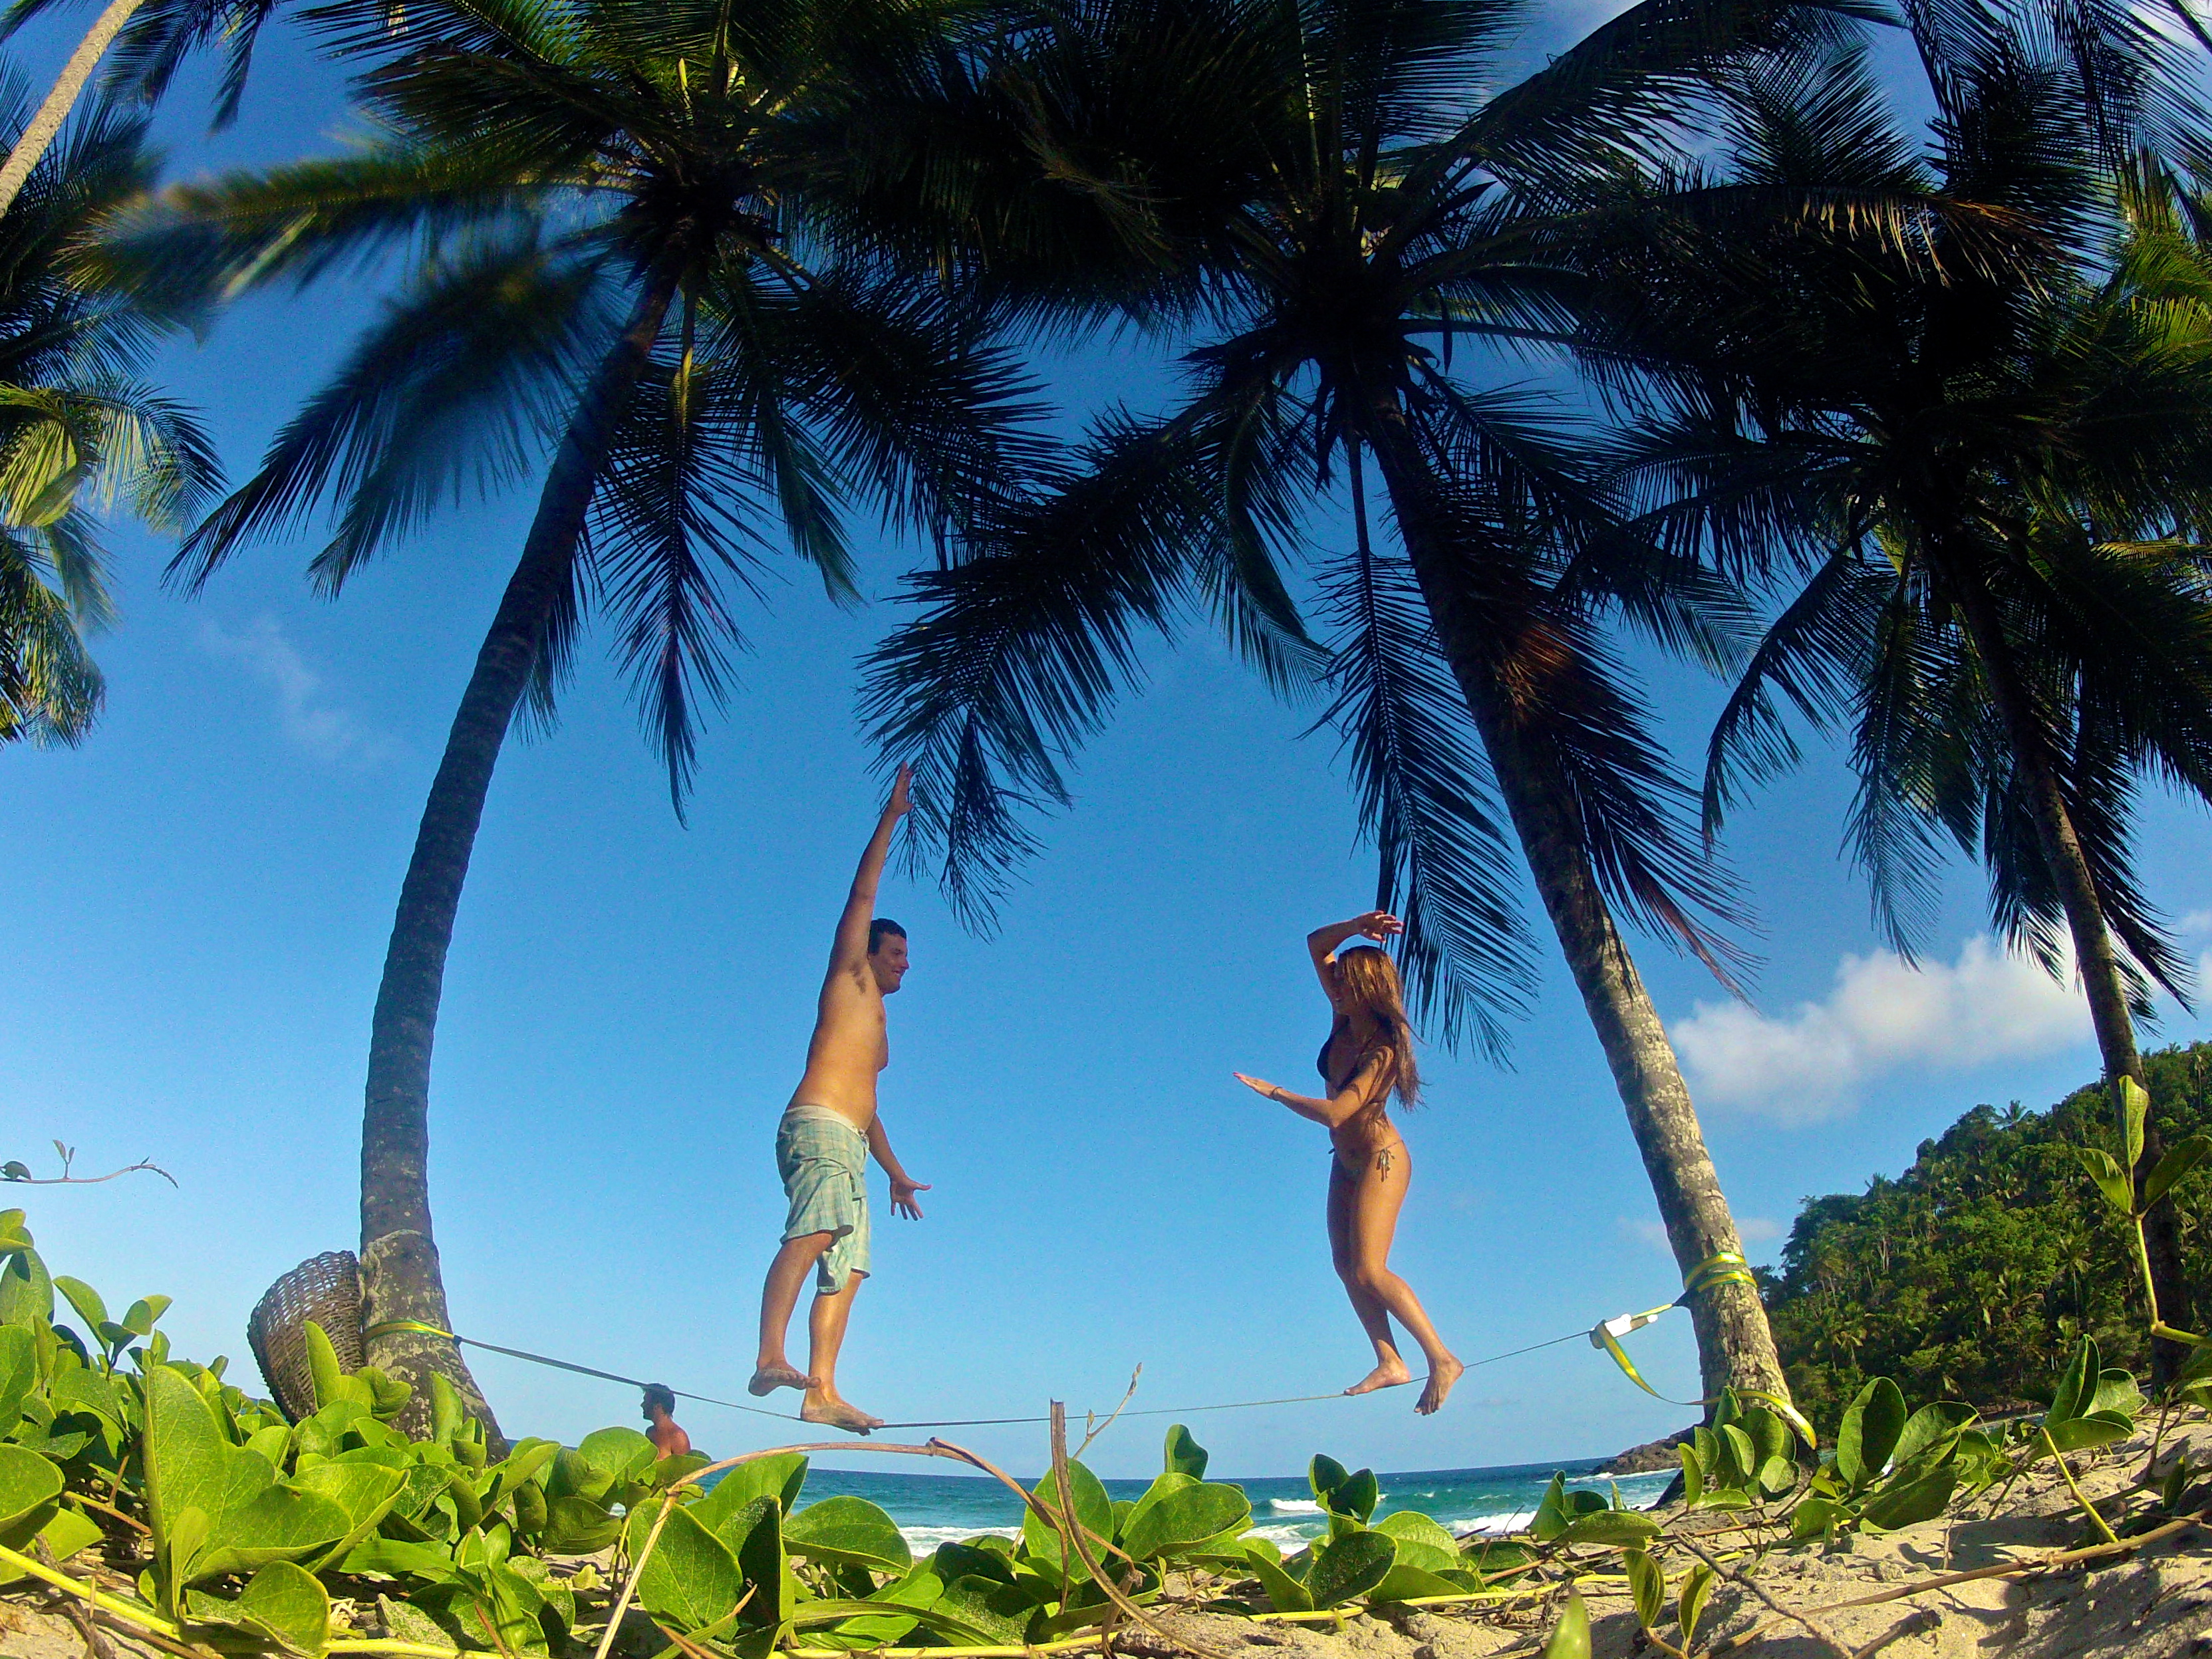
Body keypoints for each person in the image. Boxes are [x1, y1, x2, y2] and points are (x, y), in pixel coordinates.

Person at [748, 764, 930, 1434]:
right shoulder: (849, 977)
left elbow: (871, 1107)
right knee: (817, 1229)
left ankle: (820, 1389)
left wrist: (896, 1173)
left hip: (850, 1140)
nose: (905, 962)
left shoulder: (879, 1031)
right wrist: (889, 817)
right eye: (898, 952)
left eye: (908, 955)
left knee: (849, 1267)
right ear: (871, 952)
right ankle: (771, 1353)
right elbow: (861, 893)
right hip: (815, 1125)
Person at [1234, 911, 1464, 1415]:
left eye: (1346, 982)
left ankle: (1442, 1358)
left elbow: (1338, 1111)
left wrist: (1273, 1092)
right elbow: (1316, 943)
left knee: (1369, 1268)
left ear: (1370, 989)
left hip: (1382, 1158)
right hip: (1345, 1159)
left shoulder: (1383, 1047)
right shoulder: (1342, 1016)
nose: (1335, 986)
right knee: (1345, 1266)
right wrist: (1358, 925)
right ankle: (1390, 1361)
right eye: (1336, 981)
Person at [641, 1384, 692, 1458]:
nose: (642, 1405)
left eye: (646, 1401)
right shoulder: (650, 1432)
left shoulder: (677, 1436)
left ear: (657, 1407)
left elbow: (686, 1468)